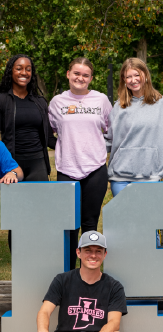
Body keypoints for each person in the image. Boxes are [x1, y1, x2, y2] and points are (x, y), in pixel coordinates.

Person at [32, 231, 127, 332]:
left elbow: (114, 322)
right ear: (78, 252)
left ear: (104, 255)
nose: (93, 255)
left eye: (98, 251)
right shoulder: (62, 280)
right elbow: (44, 311)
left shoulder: (114, 286)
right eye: (88, 250)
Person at [49, 57, 112, 270]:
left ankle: (87, 273)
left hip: (95, 170)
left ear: (91, 78)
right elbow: (49, 133)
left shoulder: (101, 100)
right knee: (68, 226)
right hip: (67, 170)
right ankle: (67, 274)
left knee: (89, 224)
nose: (80, 78)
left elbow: (112, 130)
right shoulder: (57, 102)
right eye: (76, 73)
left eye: (85, 75)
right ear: (68, 74)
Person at [106, 57, 163, 197]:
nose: (133, 80)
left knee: (147, 218)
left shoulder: (161, 104)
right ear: (124, 80)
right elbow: (109, 139)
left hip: (150, 175)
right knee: (124, 218)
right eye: (128, 77)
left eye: (137, 75)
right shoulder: (118, 106)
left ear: (145, 75)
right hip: (121, 177)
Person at [0, 54, 56, 181]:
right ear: (11, 71)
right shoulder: (2, 100)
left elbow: (48, 139)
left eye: (28, 69)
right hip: (11, 164)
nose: (24, 73)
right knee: (14, 201)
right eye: (19, 68)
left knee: (39, 200)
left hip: (38, 163)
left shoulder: (40, 102)